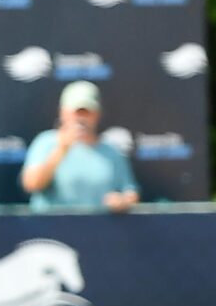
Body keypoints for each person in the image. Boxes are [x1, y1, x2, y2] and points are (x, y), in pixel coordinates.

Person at [20, 81, 139, 212]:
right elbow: (31, 184)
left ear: (98, 114)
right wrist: (61, 149)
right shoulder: (45, 142)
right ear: (63, 113)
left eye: (87, 112)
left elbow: (130, 192)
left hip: (100, 230)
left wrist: (122, 202)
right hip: (50, 229)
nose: (81, 118)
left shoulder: (112, 151)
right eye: (76, 112)